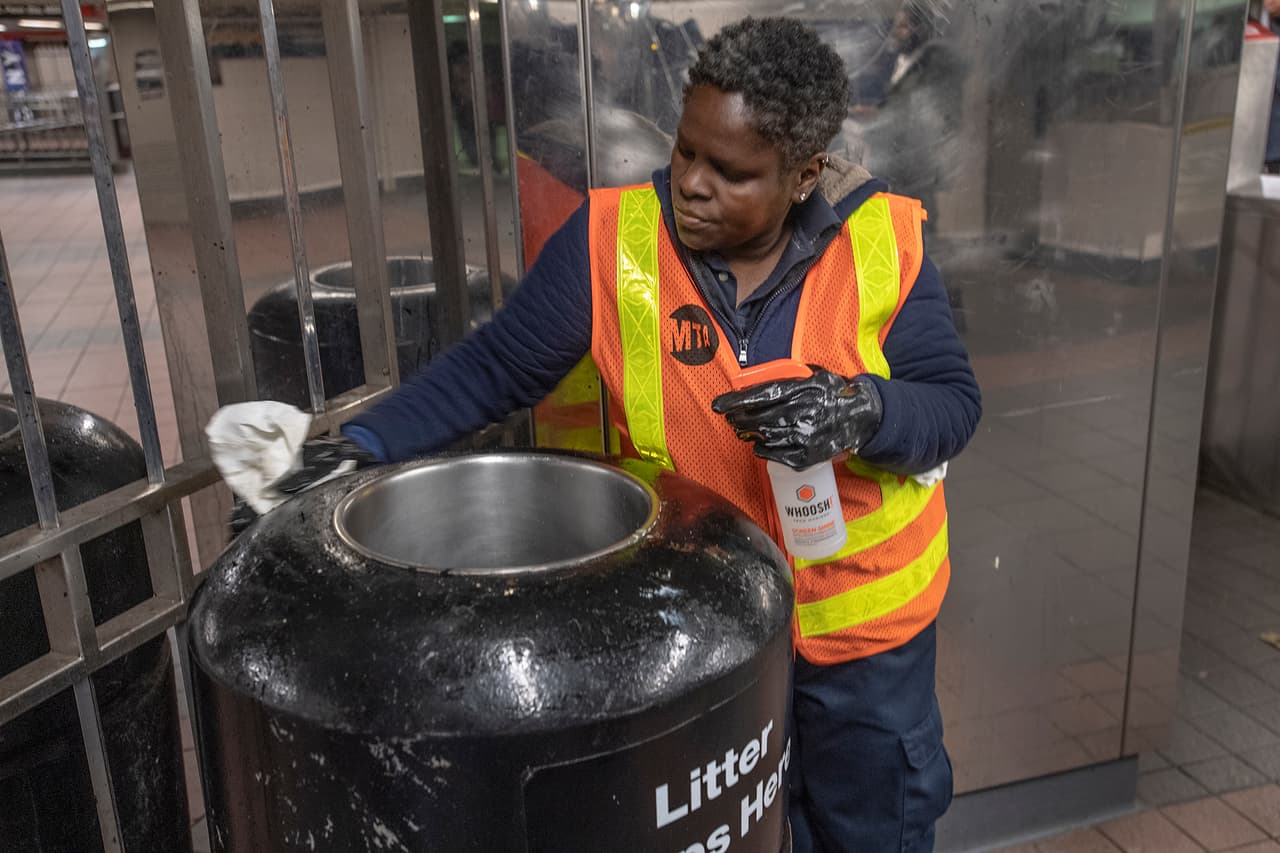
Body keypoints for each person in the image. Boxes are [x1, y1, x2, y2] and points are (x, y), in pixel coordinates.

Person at [238, 17, 981, 852]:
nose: (692, 185)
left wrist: (862, 410)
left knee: (870, 832)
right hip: (708, 641)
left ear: (804, 174)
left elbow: (952, 405)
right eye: (687, 152)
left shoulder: (885, 243)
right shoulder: (612, 242)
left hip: (863, 643)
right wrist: (362, 447)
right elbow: (493, 369)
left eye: (732, 173)